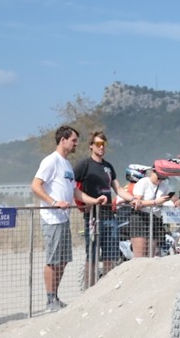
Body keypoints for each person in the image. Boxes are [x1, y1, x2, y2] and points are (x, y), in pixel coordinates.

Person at [31, 126, 99, 312]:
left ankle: (55, 296)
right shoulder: (51, 161)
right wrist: (53, 202)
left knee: (63, 259)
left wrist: (94, 200)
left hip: (64, 218)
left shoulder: (67, 164)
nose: (76, 144)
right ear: (63, 140)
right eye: (74, 140)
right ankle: (49, 299)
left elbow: (74, 190)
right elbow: (36, 186)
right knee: (53, 259)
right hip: (52, 218)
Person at [73, 132, 134, 286]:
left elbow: (118, 189)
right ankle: (88, 290)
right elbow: (71, 187)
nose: (101, 147)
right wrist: (87, 203)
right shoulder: (84, 165)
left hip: (109, 216)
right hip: (93, 217)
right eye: (98, 144)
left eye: (104, 144)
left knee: (110, 256)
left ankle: (107, 289)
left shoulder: (108, 167)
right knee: (92, 256)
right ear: (91, 146)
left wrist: (134, 199)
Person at [128, 165, 179, 258]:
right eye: (159, 177)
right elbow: (136, 203)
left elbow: (175, 198)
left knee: (150, 252)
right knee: (140, 254)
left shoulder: (164, 185)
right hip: (140, 217)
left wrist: (178, 202)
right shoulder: (143, 182)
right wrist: (155, 202)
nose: (160, 180)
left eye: (162, 178)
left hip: (155, 218)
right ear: (152, 172)